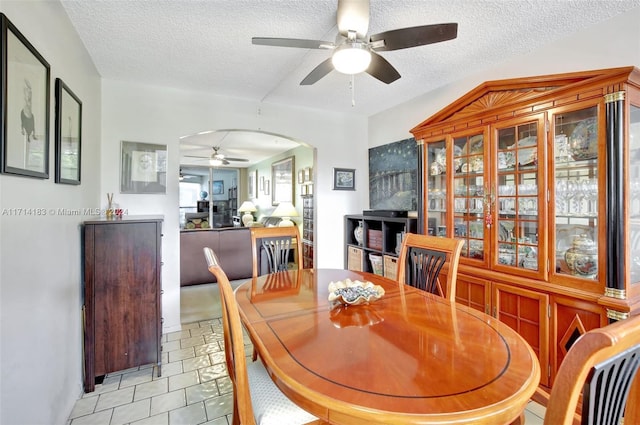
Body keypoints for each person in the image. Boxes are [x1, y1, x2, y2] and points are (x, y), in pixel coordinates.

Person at [21, 78, 36, 143]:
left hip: (27, 117)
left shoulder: (28, 131)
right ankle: (28, 90)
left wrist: (22, 130)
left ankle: (27, 90)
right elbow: (33, 127)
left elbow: (23, 124)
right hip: (28, 117)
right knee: (28, 103)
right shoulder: (29, 131)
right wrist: (34, 136)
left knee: (28, 103)